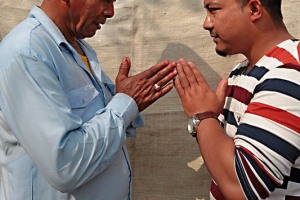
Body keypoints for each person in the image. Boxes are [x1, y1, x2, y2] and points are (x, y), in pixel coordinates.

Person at [0, 0, 177, 199]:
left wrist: (125, 101)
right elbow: (64, 165)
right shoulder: (27, 52)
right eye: (105, 0)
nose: (110, 12)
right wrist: (124, 105)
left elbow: (98, 124)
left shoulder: (76, 48)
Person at [174, 0, 300, 199]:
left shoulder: (289, 72)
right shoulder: (242, 70)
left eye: (213, 10)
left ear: (254, 9)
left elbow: (241, 187)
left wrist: (202, 117)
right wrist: (211, 121)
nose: (206, 23)